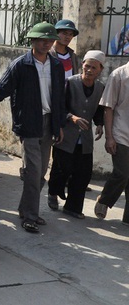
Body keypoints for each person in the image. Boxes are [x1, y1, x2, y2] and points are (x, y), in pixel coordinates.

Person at [0, 22, 66, 233]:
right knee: (33, 172)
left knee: (41, 172)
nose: (46, 44)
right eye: (42, 40)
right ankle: (30, 217)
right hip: (29, 123)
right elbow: (0, 89)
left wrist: (59, 125)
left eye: (50, 40)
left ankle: (25, 208)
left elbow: (60, 98)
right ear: (32, 40)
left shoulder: (57, 66)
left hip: (49, 122)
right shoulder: (20, 65)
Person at [47, 51, 105, 218]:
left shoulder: (101, 88)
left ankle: (72, 207)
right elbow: (59, 106)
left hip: (85, 139)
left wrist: (100, 124)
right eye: (87, 66)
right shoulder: (70, 83)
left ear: (100, 69)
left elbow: (99, 111)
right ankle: (53, 193)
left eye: (94, 67)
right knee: (61, 169)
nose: (89, 70)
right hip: (66, 135)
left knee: (83, 174)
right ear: (82, 66)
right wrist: (72, 117)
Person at [94, 57, 129, 224]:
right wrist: (109, 137)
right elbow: (108, 107)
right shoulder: (119, 75)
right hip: (121, 132)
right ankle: (104, 199)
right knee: (122, 172)